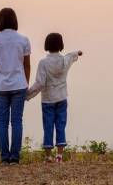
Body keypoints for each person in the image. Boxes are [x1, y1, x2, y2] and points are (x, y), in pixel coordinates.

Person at [26, 33, 83, 163]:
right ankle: (59, 156)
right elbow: (71, 55)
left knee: (48, 126)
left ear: (46, 45)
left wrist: (28, 94)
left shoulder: (43, 63)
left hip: (48, 100)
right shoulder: (64, 60)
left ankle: (47, 156)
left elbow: (40, 83)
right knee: (61, 125)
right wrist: (78, 53)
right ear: (61, 45)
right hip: (62, 98)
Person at [0, 8, 31, 165]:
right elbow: (27, 65)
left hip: (1, 86)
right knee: (17, 121)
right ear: (15, 20)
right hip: (19, 84)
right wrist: (26, 83)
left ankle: (4, 157)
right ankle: (15, 158)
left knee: (2, 122)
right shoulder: (24, 40)